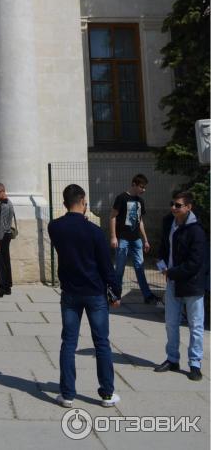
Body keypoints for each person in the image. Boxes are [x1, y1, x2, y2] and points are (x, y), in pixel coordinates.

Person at [48, 183, 121, 408]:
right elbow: (106, 266)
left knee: (68, 342)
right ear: (83, 201)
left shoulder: (55, 227)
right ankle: (107, 393)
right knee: (101, 343)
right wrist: (115, 292)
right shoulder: (94, 231)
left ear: (64, 203)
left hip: (70, 290)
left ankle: (67, 393)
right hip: (95, 291)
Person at [153, 190, 207, 381]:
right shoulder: (169, 222)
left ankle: (195, 364)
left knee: (196, 325)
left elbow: (195, 262)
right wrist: (161, 263)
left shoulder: (196, 230)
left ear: (188, 207)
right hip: (173, 282)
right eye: (172, 204)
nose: (173, 208)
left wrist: (172, 272)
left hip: (192, 284)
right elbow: (163, 247)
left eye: (178, 205)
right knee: (171, 323)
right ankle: (172, 359)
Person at [110, 173, 159, 304]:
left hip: (136, 239)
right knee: (119, 268)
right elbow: (113, 216)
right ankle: (115, 294)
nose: (144, 190)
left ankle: (147, 295)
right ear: (134, 184)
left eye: (144, 187)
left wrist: (146, 239)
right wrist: (114, 237)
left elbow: (140, 221)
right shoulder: (121, 198)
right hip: (122, 239)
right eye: (141, 187)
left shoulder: (140, 201)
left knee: (140, 267)